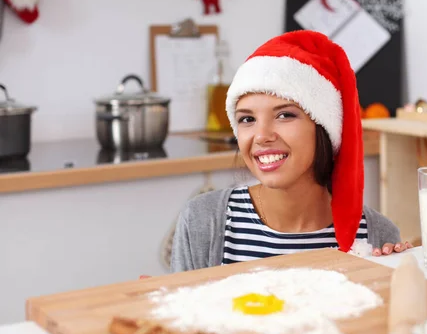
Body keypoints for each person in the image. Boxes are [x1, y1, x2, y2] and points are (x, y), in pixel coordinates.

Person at [170, 30, 412, 272]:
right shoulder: (203, 220)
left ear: (324, 127)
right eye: (247, 119)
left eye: (284, 115)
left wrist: (397, 276)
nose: (262, 135)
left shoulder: (377, 234)